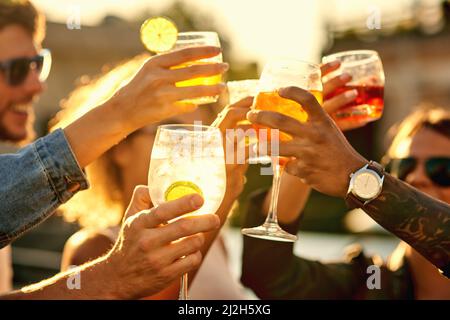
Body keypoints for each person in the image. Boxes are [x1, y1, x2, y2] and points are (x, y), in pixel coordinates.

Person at [0, 0, 225, 298]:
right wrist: (120, 112)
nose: (36, 86)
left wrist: (111, 276)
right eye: (16, 69)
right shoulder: (93, 243)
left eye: (38, 65)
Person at [47, 55, 251, 299]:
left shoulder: (216, 243)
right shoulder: (94, 248)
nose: (192, 151)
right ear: (119, 146)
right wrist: (227, 192)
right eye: (176, 133)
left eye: (202, 138)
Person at [242, 106, 450, 299]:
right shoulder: (369, 282)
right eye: (404, 166)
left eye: (441, 169)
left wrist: (359, 177)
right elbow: (270, 276)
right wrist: (308, 147)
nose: (416, 178)